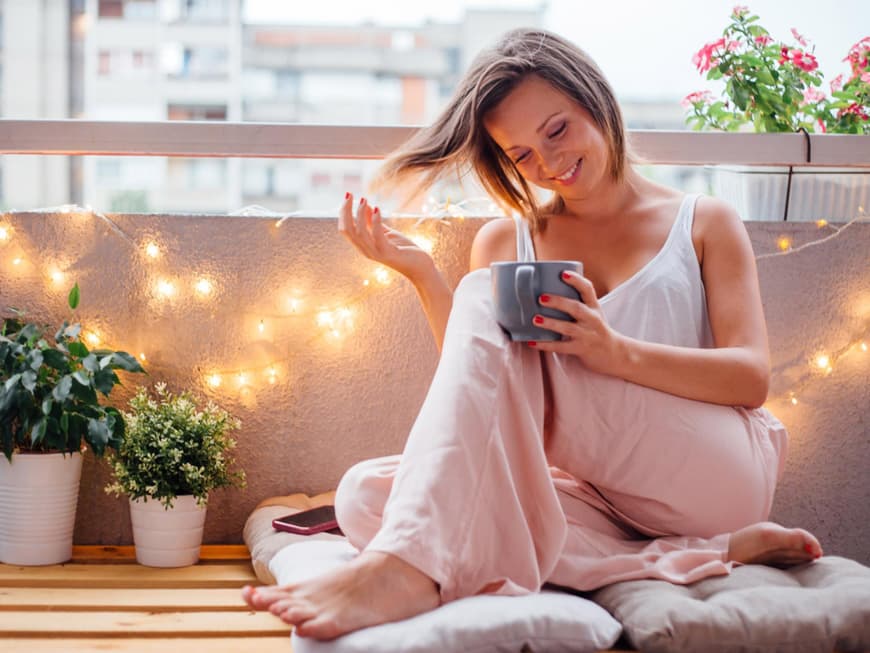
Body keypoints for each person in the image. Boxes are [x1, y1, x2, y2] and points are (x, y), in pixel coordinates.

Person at [242, 28, 822, 640]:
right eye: (520, 154)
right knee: (363, 496)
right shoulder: (505, 240)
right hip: (599, 492)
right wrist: (423, 276)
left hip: (711, 470)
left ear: (595, 101)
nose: (548, 164)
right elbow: (485, 387)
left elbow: (750, 378)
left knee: (477, 324)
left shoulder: (703, 221)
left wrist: (612, 351)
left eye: (557, 130)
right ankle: (706, 552)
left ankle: (409, 566)